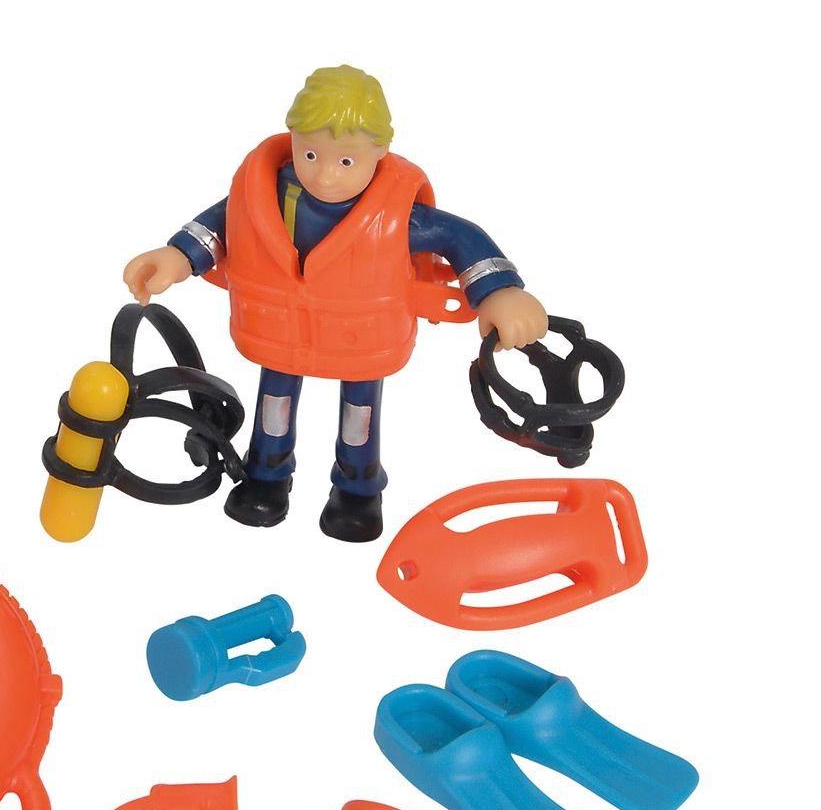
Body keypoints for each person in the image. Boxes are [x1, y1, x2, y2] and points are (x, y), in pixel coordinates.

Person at [123, 65, 548, 541]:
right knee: (275, 404)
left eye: (346, 161)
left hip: (360, 339)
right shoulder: (265, 193)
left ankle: (357, 488)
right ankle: (266, 475)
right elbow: (224, 222)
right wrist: (178, 256)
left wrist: (499, 292)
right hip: (280, 333)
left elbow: (459, 237)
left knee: (359, 415)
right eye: (310, 154)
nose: (325, 175)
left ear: (380, 153)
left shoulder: (397, 214)